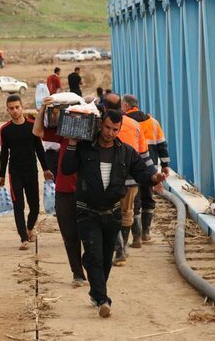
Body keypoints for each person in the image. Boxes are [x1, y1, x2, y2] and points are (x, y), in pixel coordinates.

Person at [62, 110, 165, 318]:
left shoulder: (126, 152)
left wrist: (154, 178)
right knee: (95, 255)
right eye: (107, 128)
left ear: (119, 130)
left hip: (112, 213)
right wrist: (72, 143)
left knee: (106, 259)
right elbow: (66, 169)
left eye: (115, 130)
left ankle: (95, 290)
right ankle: (102, 299)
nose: (110, 133)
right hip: (87, 211)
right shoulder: (84, 147)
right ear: (101, 125)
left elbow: (141, 172)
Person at [33, 97, 86, 287]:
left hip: (87, 192)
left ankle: (89, 265)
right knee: (70, 235)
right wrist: (42, 109)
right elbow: (37, 131)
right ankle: (77, 273)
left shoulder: (93, 135)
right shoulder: (64, 134)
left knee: (88, 235)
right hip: (64, 191)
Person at [104, 93, 155, 265]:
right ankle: (123, 249)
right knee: (127, 213)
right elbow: (144, 155)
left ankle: (119, 250)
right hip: (132, 178)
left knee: (110, 213)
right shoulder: (135, 124)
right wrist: (154, 175)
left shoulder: (102, 124)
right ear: (121, 106)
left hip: (110, 178)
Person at [0, 94, 53, 250]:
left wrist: (46, 169)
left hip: (31, 171)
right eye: (11, 108)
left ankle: (30, 228)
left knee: (35, 206)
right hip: (14, 172)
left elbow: (39, 150)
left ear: (22, 107)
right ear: (7, 110)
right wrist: (2, 175)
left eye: (17, 107)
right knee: (18, 206)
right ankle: (23, 238)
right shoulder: (5, 130)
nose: (15, 111)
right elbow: (4, 153)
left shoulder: (32, 126)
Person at [122, 94, 171, 245]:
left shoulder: (126, 123)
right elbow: (162, 145)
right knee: (148, 199)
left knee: (134, 202)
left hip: (134, 171)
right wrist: (164, 165)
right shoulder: (153, 123)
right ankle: (146, 233)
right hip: (151, 170)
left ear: (125, 106)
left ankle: (136, 237)